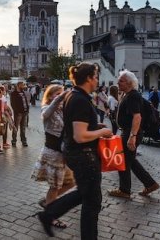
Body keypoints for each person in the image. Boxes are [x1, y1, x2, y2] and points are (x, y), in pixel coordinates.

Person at [38, 62, 112, 239]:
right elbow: (80, 135)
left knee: (86, 195)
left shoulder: (74, 95)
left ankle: (49, 213)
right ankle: (49, 214)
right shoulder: (80, 99)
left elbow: (75, 126)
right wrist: (102, 131)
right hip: (84, 156)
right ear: (88, 78)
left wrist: (94, 125)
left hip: (76, 154)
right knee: (92, 201)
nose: (97, 80)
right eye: (95, 76)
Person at [108, 70, 160, 199]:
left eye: (121, 81)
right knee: (130, 161)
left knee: (124, 161)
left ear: (130, 83)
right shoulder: (128, 94)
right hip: (128, 132)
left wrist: (132, 136)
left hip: (130, 132)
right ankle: (150, 184)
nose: (118, 83)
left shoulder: (133, 96)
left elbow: (137, 117)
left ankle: (125, 190)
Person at [32, 84, 75, 229]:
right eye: (57, 94)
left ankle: (47, 201)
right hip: (53, 153)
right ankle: (51, 216)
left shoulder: (64, 111)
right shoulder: (46, 108)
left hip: (64, 154)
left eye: (62, 94)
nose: (61, 97)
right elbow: (46, 113)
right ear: (50, 96)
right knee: (54, 186)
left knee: (72, 182)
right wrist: (61, 97)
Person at [10, 82, 30, 147]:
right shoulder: (13, 93)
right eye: (22, 85)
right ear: (18, 86)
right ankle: (14, 141)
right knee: (16, 127)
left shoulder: (23, 93)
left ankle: (24, 141)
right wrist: (17, 111)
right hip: (18, 113)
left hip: (25, 112)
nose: (23, 86)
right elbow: (12, 104)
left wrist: (27, 110)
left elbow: (25, 102)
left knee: (23, 128)